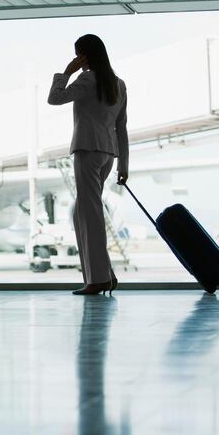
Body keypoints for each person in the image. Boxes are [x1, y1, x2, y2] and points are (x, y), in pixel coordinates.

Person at [47, 34, 128, 296]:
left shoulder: (86, 78)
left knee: (89, 215)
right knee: (82, 212)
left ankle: (98, 280)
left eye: (78, 55)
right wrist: (123, 165)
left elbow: (55, 98)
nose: (76, 60)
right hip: (108, 154)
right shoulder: (118, 84)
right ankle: (103, 275)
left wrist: (66, 72)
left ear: (85, 55)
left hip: (87, 149)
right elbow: (121, 127)